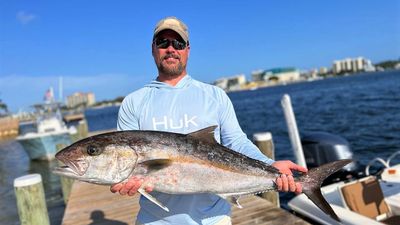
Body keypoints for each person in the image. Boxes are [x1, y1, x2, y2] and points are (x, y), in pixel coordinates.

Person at [110, 16, 308, 225]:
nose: (171, 49)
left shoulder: (214, 95)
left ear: (188, 49)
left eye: (178, 43)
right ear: (152, 49)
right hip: (154, 221)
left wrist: (270, 166)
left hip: (213, 219)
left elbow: (236, 142)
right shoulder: (134, 102)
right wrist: (125, 180)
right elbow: (127, 162)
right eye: (163, 42)